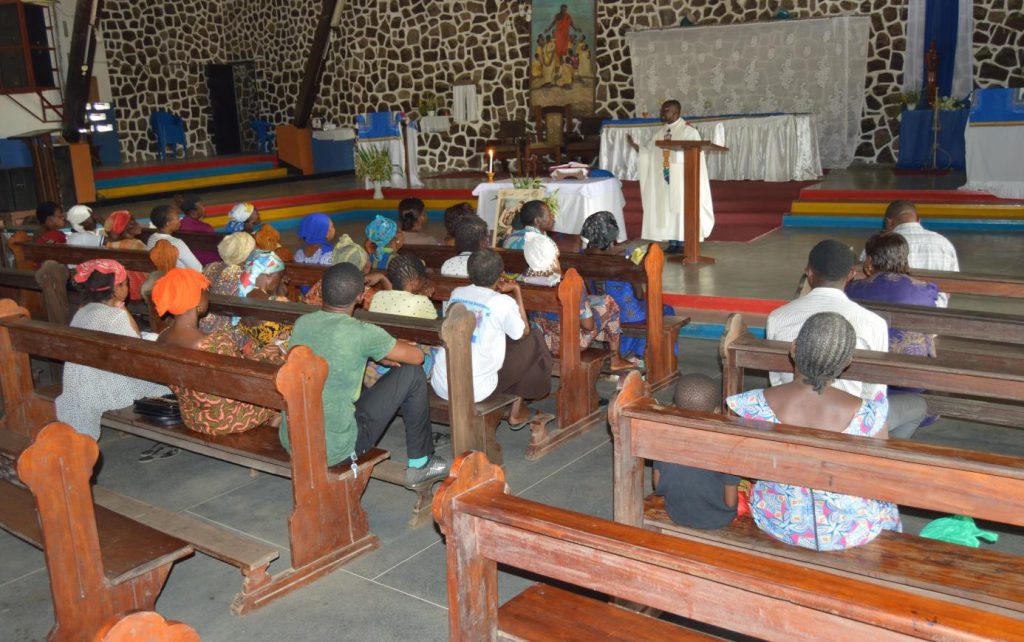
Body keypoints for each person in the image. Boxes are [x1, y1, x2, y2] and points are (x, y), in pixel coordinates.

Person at [729, 312, 901, 551]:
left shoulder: (749, 405)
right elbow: (880, 473)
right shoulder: (870, 414)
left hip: (780, 520)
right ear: (847, 362)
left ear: (793, 349)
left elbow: (739, 463)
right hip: (849, 529)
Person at [285, 262, 449, 488]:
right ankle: (421, 463)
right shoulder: (362, 332)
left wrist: (376, 354)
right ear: (361, 296)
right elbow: (416, 357)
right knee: (412, 373)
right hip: (337, 447)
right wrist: (380, 349)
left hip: (294, 436)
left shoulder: (303, 323)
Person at [766, 239, 926, 439]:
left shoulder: (778, 317)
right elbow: (873, 392)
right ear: (851, 274)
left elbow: (777, 380)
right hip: (849, 420)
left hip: (788, 413)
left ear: (808, 273)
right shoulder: (873, 323)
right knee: (918, 405)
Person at [432, 249, 553, 427]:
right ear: (501, 274)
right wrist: (516, 290)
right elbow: (523, 332)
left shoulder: (457, 293)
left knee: (499, 340)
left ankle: (515, 405)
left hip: (442, 383)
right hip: (475, 390)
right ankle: (517, 410)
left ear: (469, 272)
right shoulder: (502, 302)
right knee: (533, 338)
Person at [154, 268, 282, 435]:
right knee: (283, 394)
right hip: (226, 419)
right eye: (205, 291)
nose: (208, 294)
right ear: (197, 302)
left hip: (192, 416)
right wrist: (273, 353)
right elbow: (245, 377)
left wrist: (264, 352)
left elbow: (236, 367)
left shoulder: (162, 339)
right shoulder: (214, 343)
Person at [55, 259, 171, 440]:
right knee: (168, 384)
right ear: (116, 289)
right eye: (126, 284)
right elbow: (136, 351)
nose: (128, 287)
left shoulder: (83, 309)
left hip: (83, 380)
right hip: (105, 385)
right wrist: (123, 311)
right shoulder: (115, 316)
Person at [522, 233, 632, 371]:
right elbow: (588, 325)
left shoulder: (524, 278)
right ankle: (616, 360)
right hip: (572, 342)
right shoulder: (570, 282)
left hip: (542, 341)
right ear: (553, 254)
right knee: (609, 302)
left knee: (595, 301)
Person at [580, 210, 671, 363]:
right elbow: (639, 294)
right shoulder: (626, 256)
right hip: (628, 314)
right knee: (664, 310)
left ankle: (620, 351)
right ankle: (638, 354)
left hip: (600, 308)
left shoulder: (581, 255)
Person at [653, 373, 741, 529]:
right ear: (716, 411)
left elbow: (657, 484)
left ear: (675, 407)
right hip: (718, 520)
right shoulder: (726, 447)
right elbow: (730, 503)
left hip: (676, 513)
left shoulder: (663, 438)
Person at [629, 100, 714, 254]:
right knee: (667, 209)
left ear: (676, 113)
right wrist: (637, 148)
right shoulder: (660, 132)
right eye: (662, 110)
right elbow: (649, 152)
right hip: (664, 179)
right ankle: (673, 241)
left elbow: (695, 155)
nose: (662, 113)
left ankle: (683, 241)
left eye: (666, 110)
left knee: (680, 208)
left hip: (682, 179)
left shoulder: (689, 132)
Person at [847, 232, 939, 357]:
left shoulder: (853, 289)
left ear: (870, 260)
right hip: (915, 361)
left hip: (869, 360)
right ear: (905, 259)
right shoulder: (925, 289)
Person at [878, 200, 959, 307]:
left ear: (889, 222)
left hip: (892, 313)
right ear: (919, 220)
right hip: (936, 312)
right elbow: (951, 287)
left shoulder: (880, 244)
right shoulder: (944, 243)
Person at [200, 231, 256, 334]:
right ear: (246, 253)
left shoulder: (210, 266)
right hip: (228, 332)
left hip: (202, 324)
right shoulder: (244, 275)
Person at [236, 250, 290, 351]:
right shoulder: (275, 302)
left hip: (256, 351)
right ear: (268, 275)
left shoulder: (244, 294)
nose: (282, 279)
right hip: (276, 355)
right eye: (280, 275)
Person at [368, 253, 437, 319]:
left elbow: (396, 298)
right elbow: (436, 325)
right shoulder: (421, 301)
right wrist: (423, 298)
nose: (424, 284)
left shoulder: (378, 296)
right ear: (415, 282)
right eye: (423, 280)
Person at [145, 205, 203, 271]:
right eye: (177, 218)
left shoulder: (151, 238)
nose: (180, 221)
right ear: (167, 223)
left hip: (161, 277)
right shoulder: (176, 243)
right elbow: (197, 268)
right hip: (181, 278)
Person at [177, 195, 219, 265]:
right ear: (193, 213)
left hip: (187, 262)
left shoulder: (179, 225)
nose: (204, 209)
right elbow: (217, 247)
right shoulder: (205, 228)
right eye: (202, 207)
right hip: (208, 263)